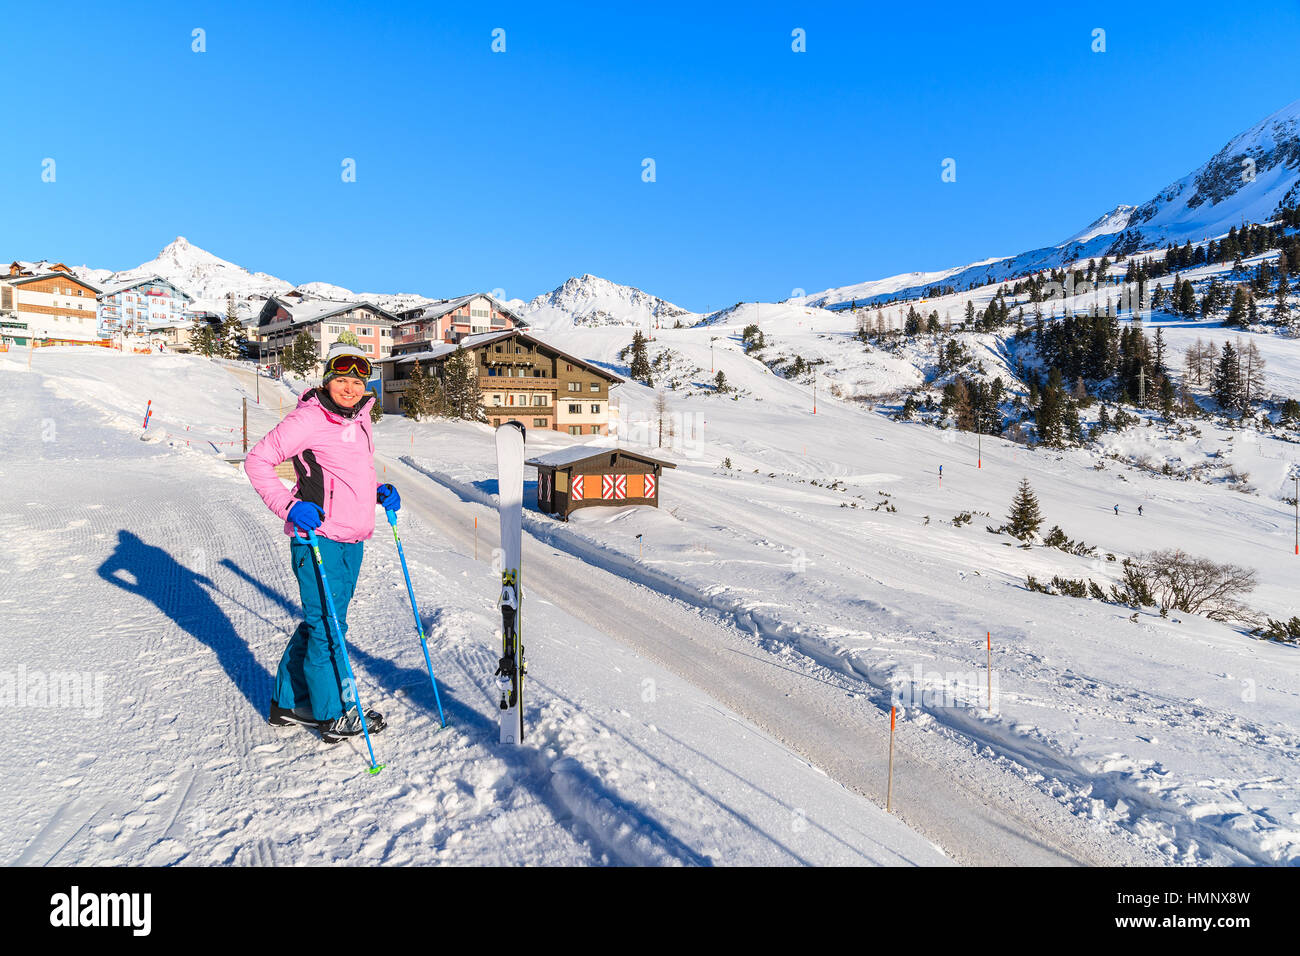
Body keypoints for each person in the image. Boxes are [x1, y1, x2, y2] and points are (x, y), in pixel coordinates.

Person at [245, 341, 400, 743]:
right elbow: (257, 461)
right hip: (317, 539)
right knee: (329, 628)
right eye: (341, 380)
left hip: (352, 540)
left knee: (324, 624)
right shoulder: (309, 418)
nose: (349, 388)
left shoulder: (358, 418)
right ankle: (333, 714)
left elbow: (340, 474)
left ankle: (288, 701)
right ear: (327, 380)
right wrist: (288, 505)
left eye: (357, 381)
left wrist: (376, 490)